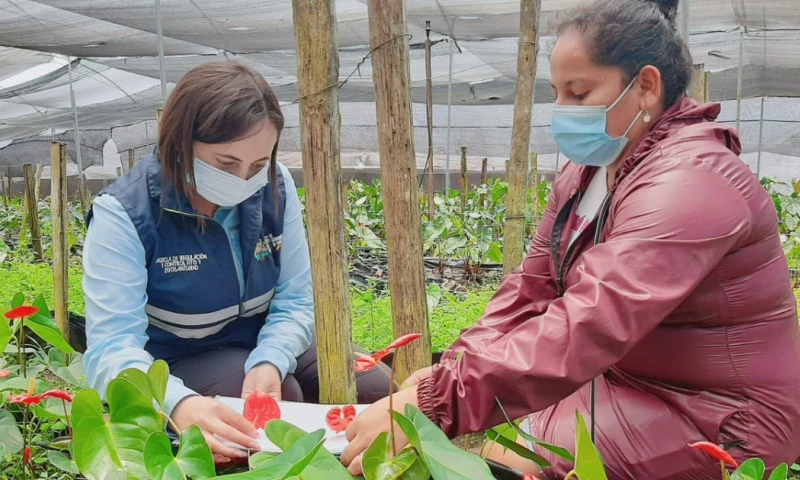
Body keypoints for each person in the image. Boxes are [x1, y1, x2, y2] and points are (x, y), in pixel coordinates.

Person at [341, 0, 800, 477]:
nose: (561, 110)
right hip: (626, 383)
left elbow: (593, 319)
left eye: (579, 94)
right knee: (492, 447)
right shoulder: (589, 173)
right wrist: (449, 372)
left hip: (721, 417)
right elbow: (531, 289)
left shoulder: (693, 180)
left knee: (505, 460)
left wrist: (437, 402)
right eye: (557, 93)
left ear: (646, 87)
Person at [80, 61, 391, 464]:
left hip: (266, 335)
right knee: (272, 408)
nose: (244, 180)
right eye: (226, 164)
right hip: (180, 357)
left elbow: (297, 298)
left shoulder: (276, 187)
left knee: (377, 393)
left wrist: (272, 357)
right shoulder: (125, 213)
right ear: (180, 143)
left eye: (258, 165)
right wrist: (177, 404)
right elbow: (110, 348)